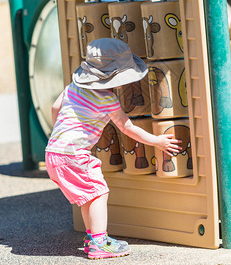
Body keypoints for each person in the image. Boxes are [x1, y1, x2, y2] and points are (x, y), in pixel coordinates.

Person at [45, 38, 182, 259]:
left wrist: (58, 137)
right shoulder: (107, 99)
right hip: (73, 155)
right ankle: (100, 242)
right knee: (99, 192)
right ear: (116, 76)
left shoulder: (73, 88)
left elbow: (55, 107)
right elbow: (127, 128)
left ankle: (93, 237)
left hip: (54, 152)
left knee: (89, 195)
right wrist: (158, 141)